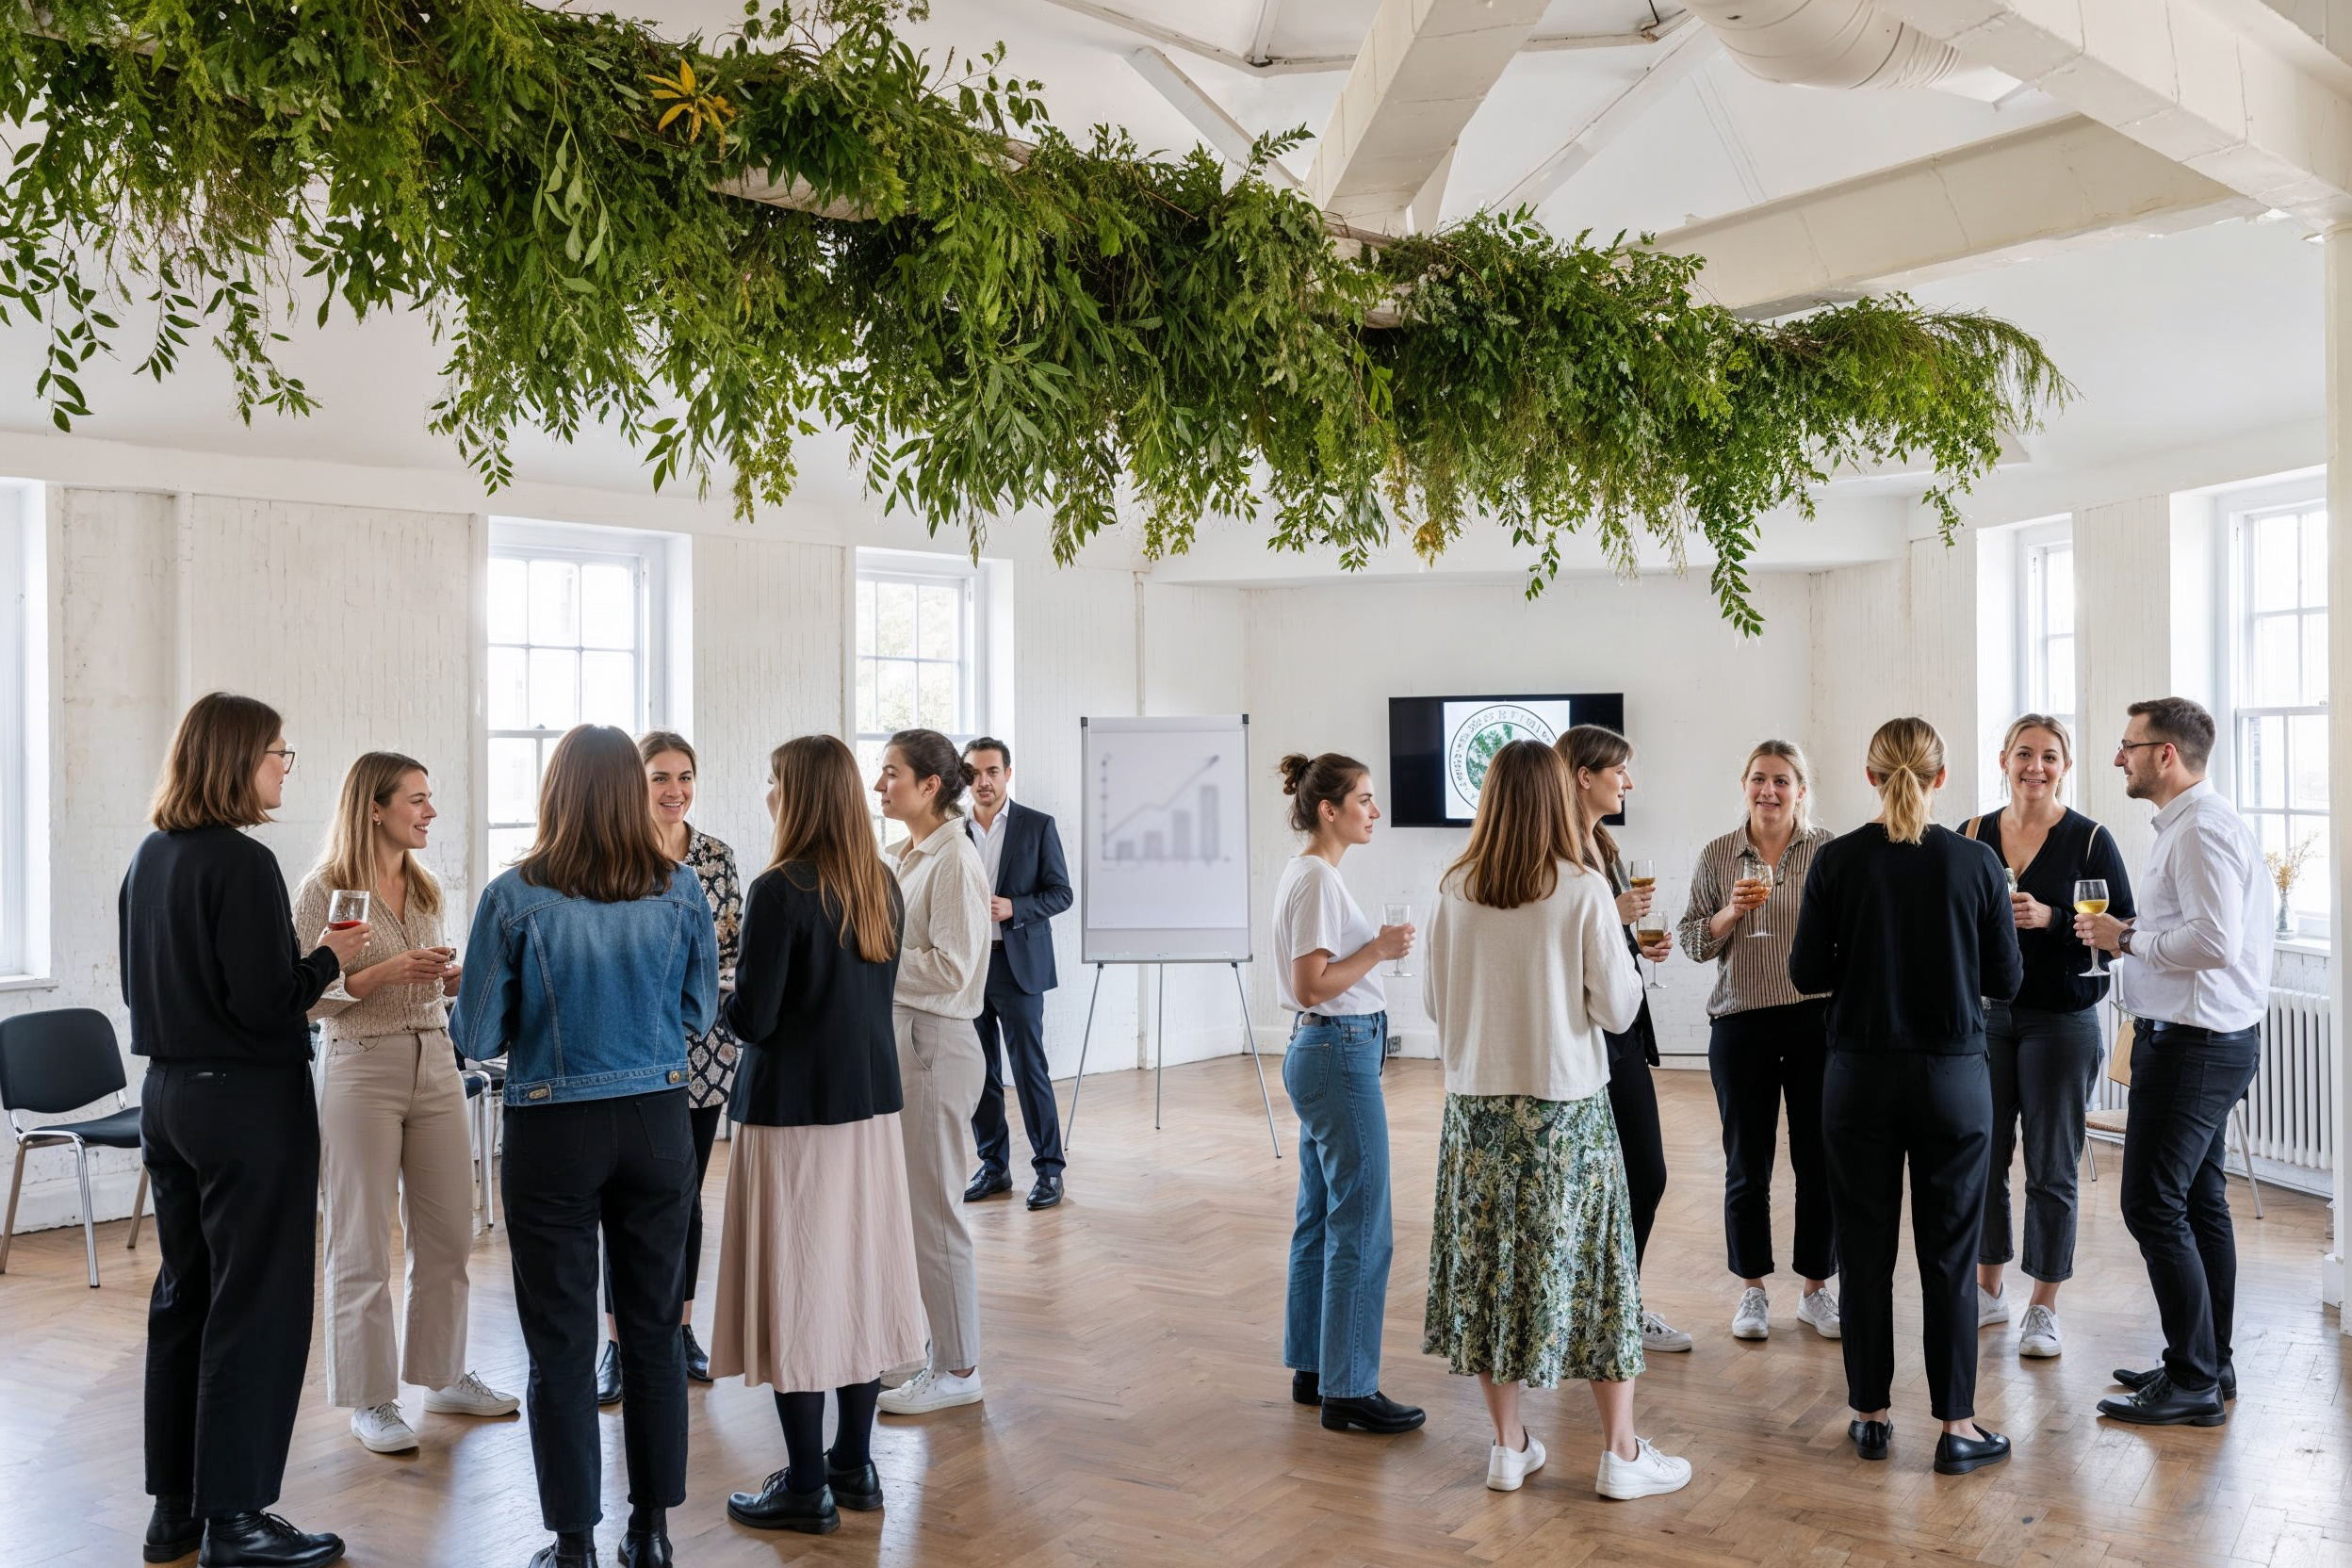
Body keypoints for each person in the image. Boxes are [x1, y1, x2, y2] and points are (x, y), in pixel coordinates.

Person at [452, 725, 719, 1568]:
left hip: (552, 1129)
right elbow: (699, 1012)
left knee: (561, 1343)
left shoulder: (514, 896)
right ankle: (652, 1533)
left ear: (556, 791)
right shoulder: (680, 889)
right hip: (656, 1122)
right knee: (651, 1337)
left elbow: (478, 1032)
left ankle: (573, 1545)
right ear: (627, 790)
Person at [121, 693, 369, 1568]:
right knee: (255, 1304)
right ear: (236, 761)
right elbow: (268, 1002)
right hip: (248, 1105)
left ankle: (174, 1511)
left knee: (184, 1296)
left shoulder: (149, 859)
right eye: (277, 754)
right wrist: (333, 953)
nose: (283, 768)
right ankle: (237, 1520)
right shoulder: (243, 863)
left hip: (168, 1097)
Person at [1422, 740, 1692, 1499]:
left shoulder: (1454, 886)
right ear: (1553, 797)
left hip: (1475, 1115)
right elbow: (1616, 1006)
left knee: (1488, 1275)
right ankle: (1621, 1454)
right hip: (1563, 1115)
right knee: (1600, 1276)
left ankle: (1508, 1448)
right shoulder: (1577, 889)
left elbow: (1437, 1007)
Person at [1789, 717, 2020, 1477]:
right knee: (1950, 1257)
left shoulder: (1836, 861)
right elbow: (2006, 981)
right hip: (1954, 1081)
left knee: (1864, 1250)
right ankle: (1957, 1427)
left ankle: (1870, 1415)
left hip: (1856, 1078)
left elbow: (1803, 974)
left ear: (1869, 775)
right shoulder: (1979, 862)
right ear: (1941, 778)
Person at [714, 736, 928, 1535]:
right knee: (860, 1280)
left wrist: (721, 969)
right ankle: (854, 1464)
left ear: (797, 794)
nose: (768, 793)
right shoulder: (880, 881)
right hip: (870, 1111)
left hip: (795, 1116)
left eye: (774, 782)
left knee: (801, 1286)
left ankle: (805, 1485)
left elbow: (757, 1020)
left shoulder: (779, 889)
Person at [296, 753, 517, 1456]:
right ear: (374, 807)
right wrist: (382, 974)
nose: (428, 813)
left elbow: (424, 986)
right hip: (360, 1065)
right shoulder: (324, 890)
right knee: (360, 1238)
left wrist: (445, 980)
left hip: (435, 1059)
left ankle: (443, 1372)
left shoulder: (421, 887)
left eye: (430, 798)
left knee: (449, 1233)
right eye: (416, 800)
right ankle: (371, 1398)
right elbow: (303, 1000)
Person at [2077, 697, 2275, 1429]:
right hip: (2204, 1039)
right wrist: (2131, 936)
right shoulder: (2190, 826)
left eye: (2129, 745)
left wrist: (2124, 941)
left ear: (2166, 754)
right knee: (2198, 1204)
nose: (2119, 757)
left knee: (2151, 1205)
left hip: (2195, 1046)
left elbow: (2215, 942)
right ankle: (2205, 1362)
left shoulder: (2200, 830)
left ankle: (2193, 1379)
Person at [1963, 716, 2135, 1359]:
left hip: (2062, 1021)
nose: (2036, 766)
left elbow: (2126, 928)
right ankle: (1988, 1291)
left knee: (2052, 1165)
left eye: (2050, 757)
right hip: (1986, 1016)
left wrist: (2056, 918)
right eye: (2025, 754)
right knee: (1982, 1157)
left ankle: (2044, 1305)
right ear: (2003, 758)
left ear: (2066, 765)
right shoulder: (1974, 834)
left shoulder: (2091, 840)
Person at [1270, 752, 1424, 1435]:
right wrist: (1382, 951)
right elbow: (1312, 985)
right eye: (1364, 799)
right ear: (1328, 809)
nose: (1375, 811)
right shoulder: (1317, 881)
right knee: (1363, 1221)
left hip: (1324, 1053)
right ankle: (1350, 1388)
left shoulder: (1311, 875)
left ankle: (1315, 1366)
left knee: (1322, 1216)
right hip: (1337, 1052)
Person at [1675, 740, 1840, 1343]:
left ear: (1801, 788)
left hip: (1814, 1019)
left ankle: (1817, 1291)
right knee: (1747, 1164)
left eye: (1782, 781)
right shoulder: (1719, 854)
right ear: (1743, 784)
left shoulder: (1827, 851)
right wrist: (1729, 915)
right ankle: (1751, 1291)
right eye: (1759, 779)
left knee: (1818, 1162)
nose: (1769, 791)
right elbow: (1694, 940)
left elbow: (1850, 935)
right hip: (1740, 1023)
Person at [595, 731, 743, 1402]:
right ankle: (617, 1344)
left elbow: (732, 951)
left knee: (683, 1200)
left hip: (704, 1055)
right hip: (628, 1053)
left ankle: (680, 1329)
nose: (674, 790)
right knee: (622, 1205)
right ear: (636, 783)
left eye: (685, 776)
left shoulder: (715, 857)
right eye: (660, 777)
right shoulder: (609, 856)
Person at [873, 727, 995, 1416]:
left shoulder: (953, 861)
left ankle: (959, 1367)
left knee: (936, 1213)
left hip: (936, 1048)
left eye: (891, 773)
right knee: (909, 1211)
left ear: (929, 786)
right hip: (907, 1046)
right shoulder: (907, 855)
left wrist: (871, 954)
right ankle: (925, 1352)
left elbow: (952, 969)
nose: (879, 784)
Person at [1557, 724, 1687, 1354]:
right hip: (1590, 1036)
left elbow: (1597, 943)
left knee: (1644, 1174)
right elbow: (1557, 940)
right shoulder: (1556, 853)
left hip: (1623, 1029)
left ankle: (1613, 1303)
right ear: (1585, 776)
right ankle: (1607, 1312)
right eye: (1619, 771)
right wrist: (1617, 917)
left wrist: (1638, 940)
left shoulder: (1602, 846)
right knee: (1620, 1176)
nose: (1628, 782)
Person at [959, 736, 1074, 1211]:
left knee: (1029, 1069)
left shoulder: (1036, 826)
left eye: (991, 771)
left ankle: (1049, 1170)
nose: (982, 782)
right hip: (968, 967)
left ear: (1008, 774)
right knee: (979, 1072)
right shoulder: (953, 829)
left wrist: (1015, 908)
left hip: (1017, 966)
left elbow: (1061, 893)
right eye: (973, 773)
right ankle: (994, 1166)